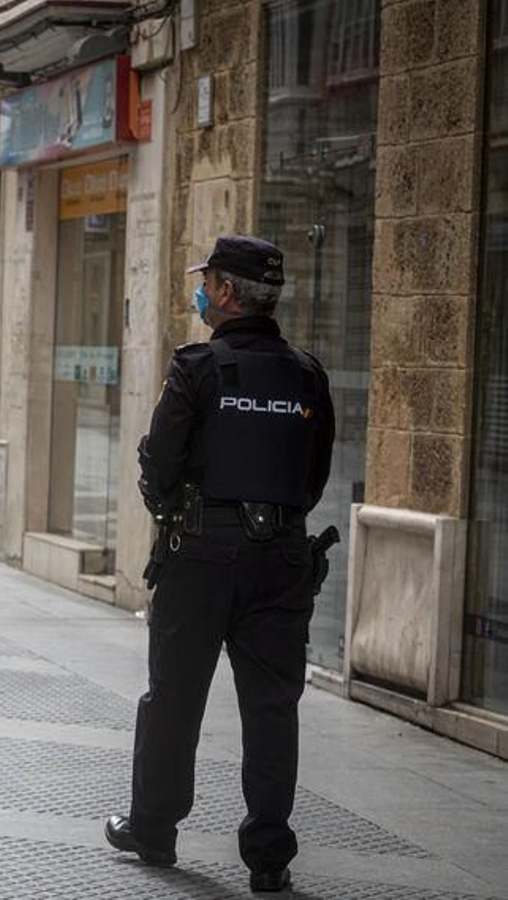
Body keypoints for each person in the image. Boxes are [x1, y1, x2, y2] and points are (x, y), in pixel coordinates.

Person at [106, 235, 335, 894]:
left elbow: (158, 464)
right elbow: (313, 474)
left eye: (206, 280)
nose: (200, 290)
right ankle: (269, 858)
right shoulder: (308, 375)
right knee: (272, 709)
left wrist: (181, 516)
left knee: (174, 699)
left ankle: (153, 829)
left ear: (228, 292)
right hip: (284, 559)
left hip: (199, 555)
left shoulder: (198, 368)